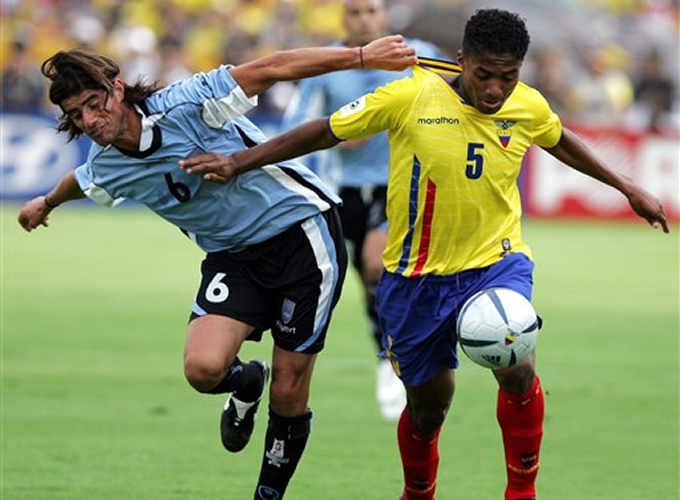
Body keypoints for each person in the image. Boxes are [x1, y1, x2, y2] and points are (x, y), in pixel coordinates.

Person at [178, 9, 670, 500]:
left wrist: (626, 186)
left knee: (518, 364)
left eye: (508, 76)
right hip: (415, 280)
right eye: (484, 75)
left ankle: (522, 490)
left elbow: (560, 140)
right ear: (462, 62)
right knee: (430, 407)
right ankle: (418, 494)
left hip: (495, 262)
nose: (496, 90)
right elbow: (326, 130)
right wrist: (239, 161)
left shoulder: (528, 106)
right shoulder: (410, 93)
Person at [17, 37, 416, 500]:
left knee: (290, 390)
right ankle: (247, 381)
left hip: (301, 238)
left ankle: (267, 494)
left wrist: (362, 57)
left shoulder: (188, 103)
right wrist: (46, 202)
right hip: (233, 256)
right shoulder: (106, 164)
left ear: (118, 88)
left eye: (94, 103)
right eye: (76, 114)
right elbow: (82, 181)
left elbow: (272, 65)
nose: (90, 120)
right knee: (203, 369)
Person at [282, 0, 447, 421]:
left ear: (384, 16)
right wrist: (335, 135)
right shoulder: (329, 64)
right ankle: (385, 346)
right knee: (353, 276)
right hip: (341, 192)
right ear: (344, 20)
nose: (364, 19)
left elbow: (454, 102)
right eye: (355, 13)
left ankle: (391, 360)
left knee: (376, 266)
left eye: (371, 11)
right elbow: (295, 123)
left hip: (398, 187)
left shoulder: (417, 54)